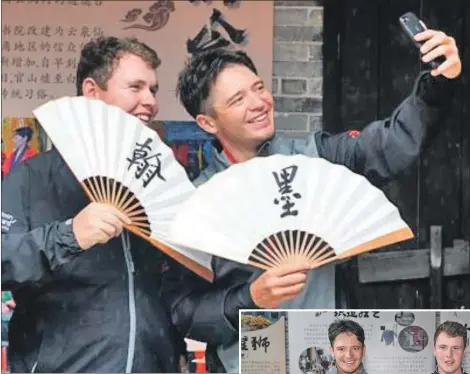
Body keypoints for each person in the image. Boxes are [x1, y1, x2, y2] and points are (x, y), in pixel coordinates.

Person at [162, 27, 462, 372]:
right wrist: (250, 298)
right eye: (237, 99)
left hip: (332, 349)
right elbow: (184, 311)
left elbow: (390, 143)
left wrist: (437, 82)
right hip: (256, 356)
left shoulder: (315, 158)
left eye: (258, 88)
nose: (258, 103)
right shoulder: (198, 203)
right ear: (207, 121)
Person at [1, 36, 226, 373]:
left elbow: (173, 288)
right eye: (135, 87)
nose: (149, 101)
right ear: (92, 91)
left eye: (153, 89)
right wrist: (69, 234)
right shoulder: (32, 178)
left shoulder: (159, 183)